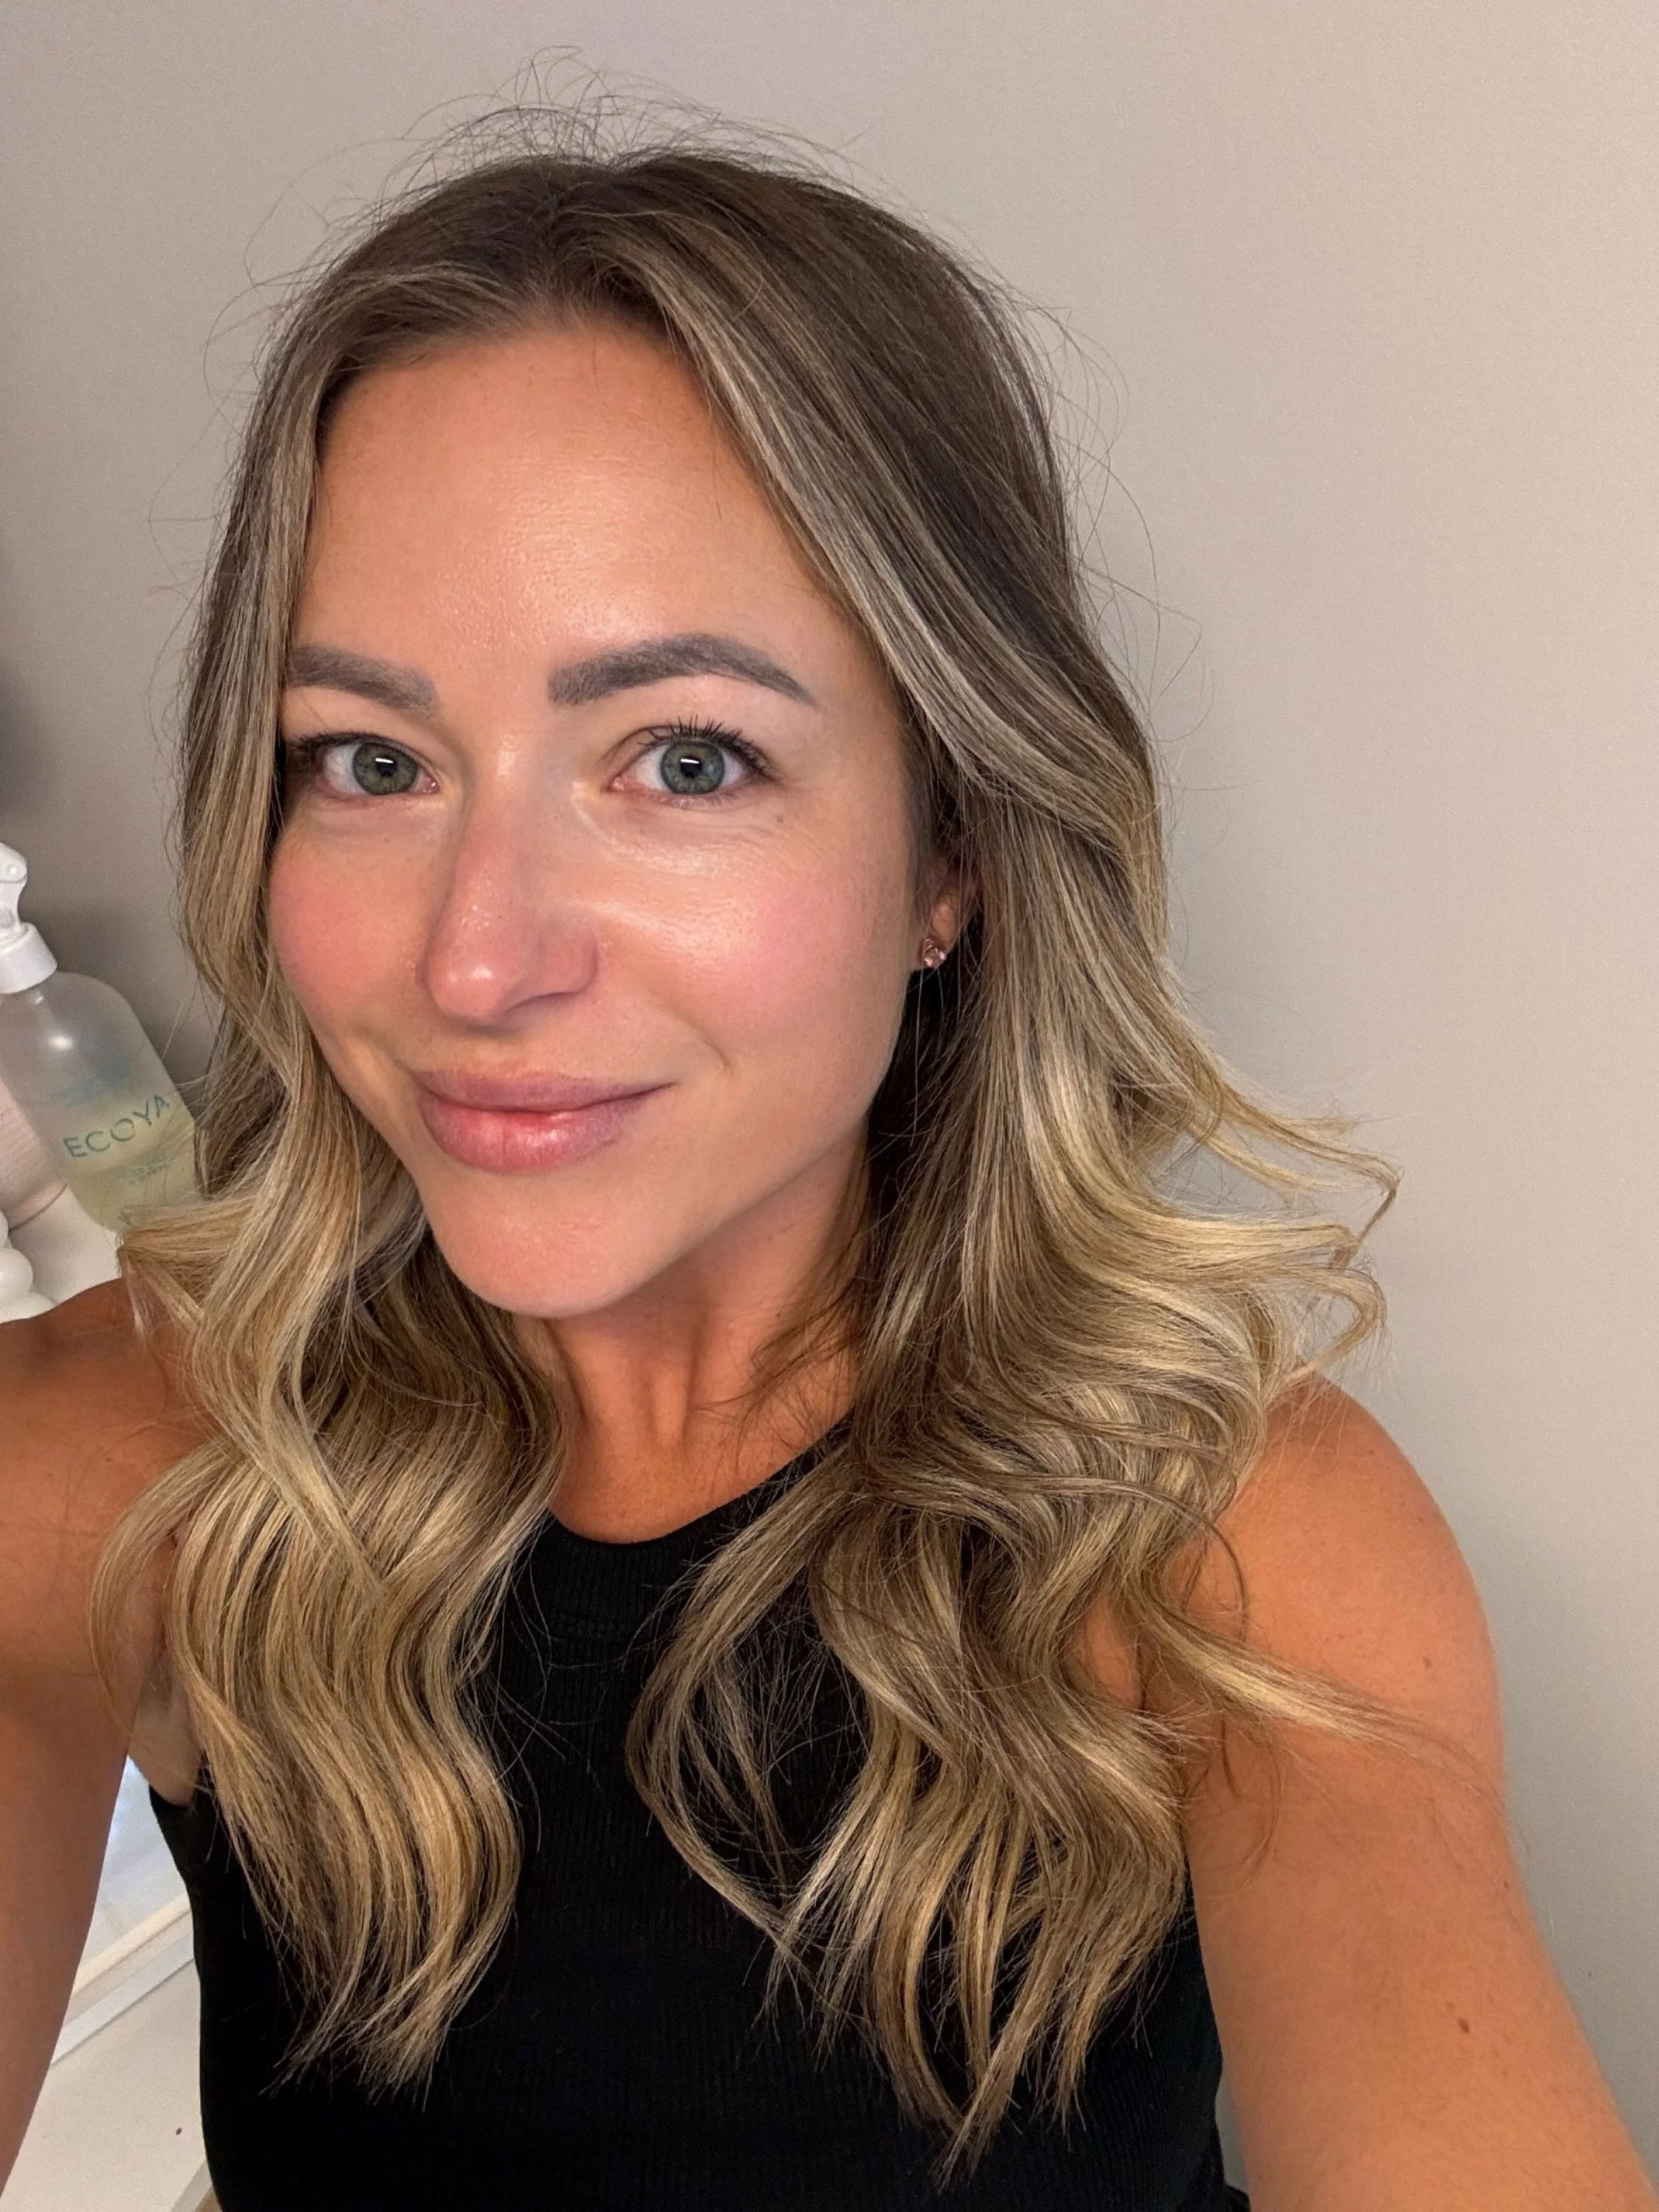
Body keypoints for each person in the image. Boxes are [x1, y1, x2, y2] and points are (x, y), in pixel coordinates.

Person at [1, 122, 1653, 2212]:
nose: (476, 957)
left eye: (685, 760)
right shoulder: (119, 1461)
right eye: (371, 761)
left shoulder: (1215, 1541)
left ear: (948, 852)